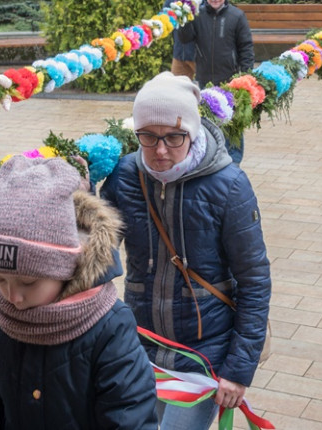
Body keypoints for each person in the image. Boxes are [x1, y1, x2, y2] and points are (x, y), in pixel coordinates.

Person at [99, 72, 271, 430]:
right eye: (148, 136)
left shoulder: (229, 186)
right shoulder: (124, 177)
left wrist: (237, 371)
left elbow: (254, 280)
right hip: (140, 348)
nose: (160, 150)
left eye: (174, 137)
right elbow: (97, 260)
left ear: (191, 132)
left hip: (203, 356)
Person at [0, 156, 159, 430]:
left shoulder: (109, 326)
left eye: (29, 282)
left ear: (65, 268)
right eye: (0, 279)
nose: (13, 297)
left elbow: (130, 419)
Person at [177, 0, 254, 163]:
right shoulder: (198, 15)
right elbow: (185, 38)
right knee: (209, 121)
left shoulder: (237, 16)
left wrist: (246, 76)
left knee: (232, 123)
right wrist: (184, 18)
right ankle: (212, 158)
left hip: (231, 80)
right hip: (205, 79)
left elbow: (246, 47)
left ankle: (234, 161)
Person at [166, 0, 207, 80]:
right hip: (179, 53)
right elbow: (164, 14)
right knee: (176, 89)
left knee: (206, 88)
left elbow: (206, 18)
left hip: (199, 54)